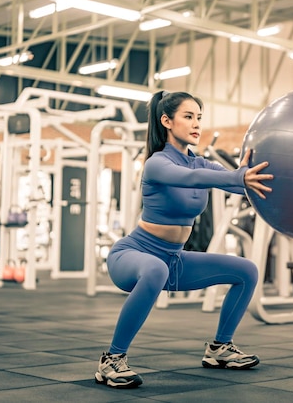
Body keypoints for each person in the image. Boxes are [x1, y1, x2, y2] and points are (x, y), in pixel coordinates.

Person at [95, 90, 273, 389]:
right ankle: (112, 359)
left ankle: (220, 348)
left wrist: (253, 175)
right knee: (155, 269)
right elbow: (191, 179)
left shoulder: (201, 163)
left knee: (246, 271)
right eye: (188, 117)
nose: (196, 124)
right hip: (133, 255)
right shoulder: (157, 163)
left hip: (174, 260)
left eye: (199, 118)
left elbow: (238, 185)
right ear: (167, 121)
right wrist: (236, 176)